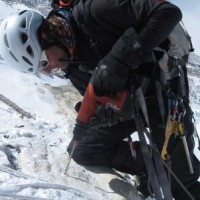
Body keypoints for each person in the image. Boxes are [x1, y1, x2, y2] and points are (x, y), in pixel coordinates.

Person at [0, 0, 200, 199]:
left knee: (182, 183)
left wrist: (118, 60)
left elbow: (168, 12)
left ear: (47, 36)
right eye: (40, 68)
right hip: (133, 100)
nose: (48, 69)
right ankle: (150, 167)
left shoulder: (94, 12)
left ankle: (172, 166)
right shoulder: (69, 62)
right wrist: (105, 112)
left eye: (43, 61)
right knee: (83, 149)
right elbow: (100, 91)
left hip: (162, 90)